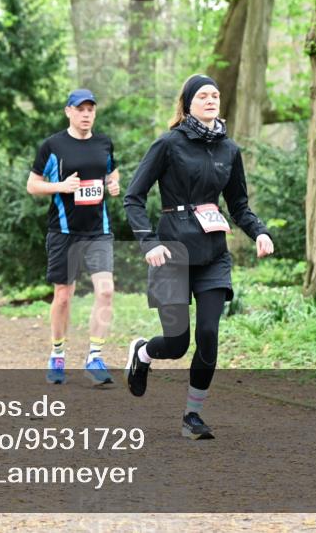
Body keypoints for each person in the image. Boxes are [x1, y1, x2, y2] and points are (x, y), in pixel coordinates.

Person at [123, 75, 274, 440]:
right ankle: (143, 354)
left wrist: (261, 232)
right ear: (188, 103)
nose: (211, 100)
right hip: (171, 252)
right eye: (203, 96)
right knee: (176, 344)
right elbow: (134, 197)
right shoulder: (168, 144)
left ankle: (192, 415)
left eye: (215, 95)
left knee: (208, 334)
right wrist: (149, 243)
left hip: (212, 254)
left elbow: (238, 204)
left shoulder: (229, 150)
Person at [26, 89, 120, 386]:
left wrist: (114, 184)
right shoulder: (53, 145)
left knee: (105, 291)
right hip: (63, 232)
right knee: (63, 296)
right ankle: (57, 354)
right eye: (80, 109)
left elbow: (112, 173)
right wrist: (61, 187)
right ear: (68, 111)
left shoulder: (104, 143)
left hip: (98, 231)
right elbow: (33, 185)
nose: (86, 114)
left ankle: (95, 356)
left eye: (90, 109)